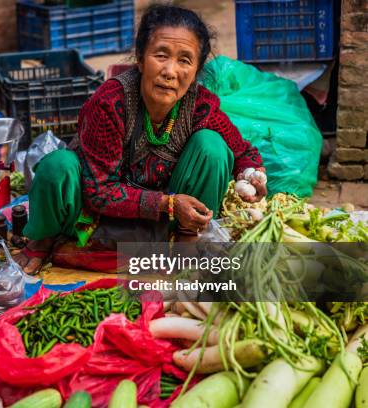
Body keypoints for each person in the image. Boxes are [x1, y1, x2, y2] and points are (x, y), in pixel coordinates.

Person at [14, 4, 267, 274]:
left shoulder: (200, 105)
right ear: (140, 58)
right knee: (58, 166)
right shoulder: (110, 103)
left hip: (165, 217)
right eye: (161, 55)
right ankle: (46, 239)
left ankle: (186, 241)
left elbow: (243, 151)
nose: (170, 71)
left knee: (213, 146)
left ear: (195, 70)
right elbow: (100, 192)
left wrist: (252, 174)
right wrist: (169, 204)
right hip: (97, 212)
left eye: (185, 60)